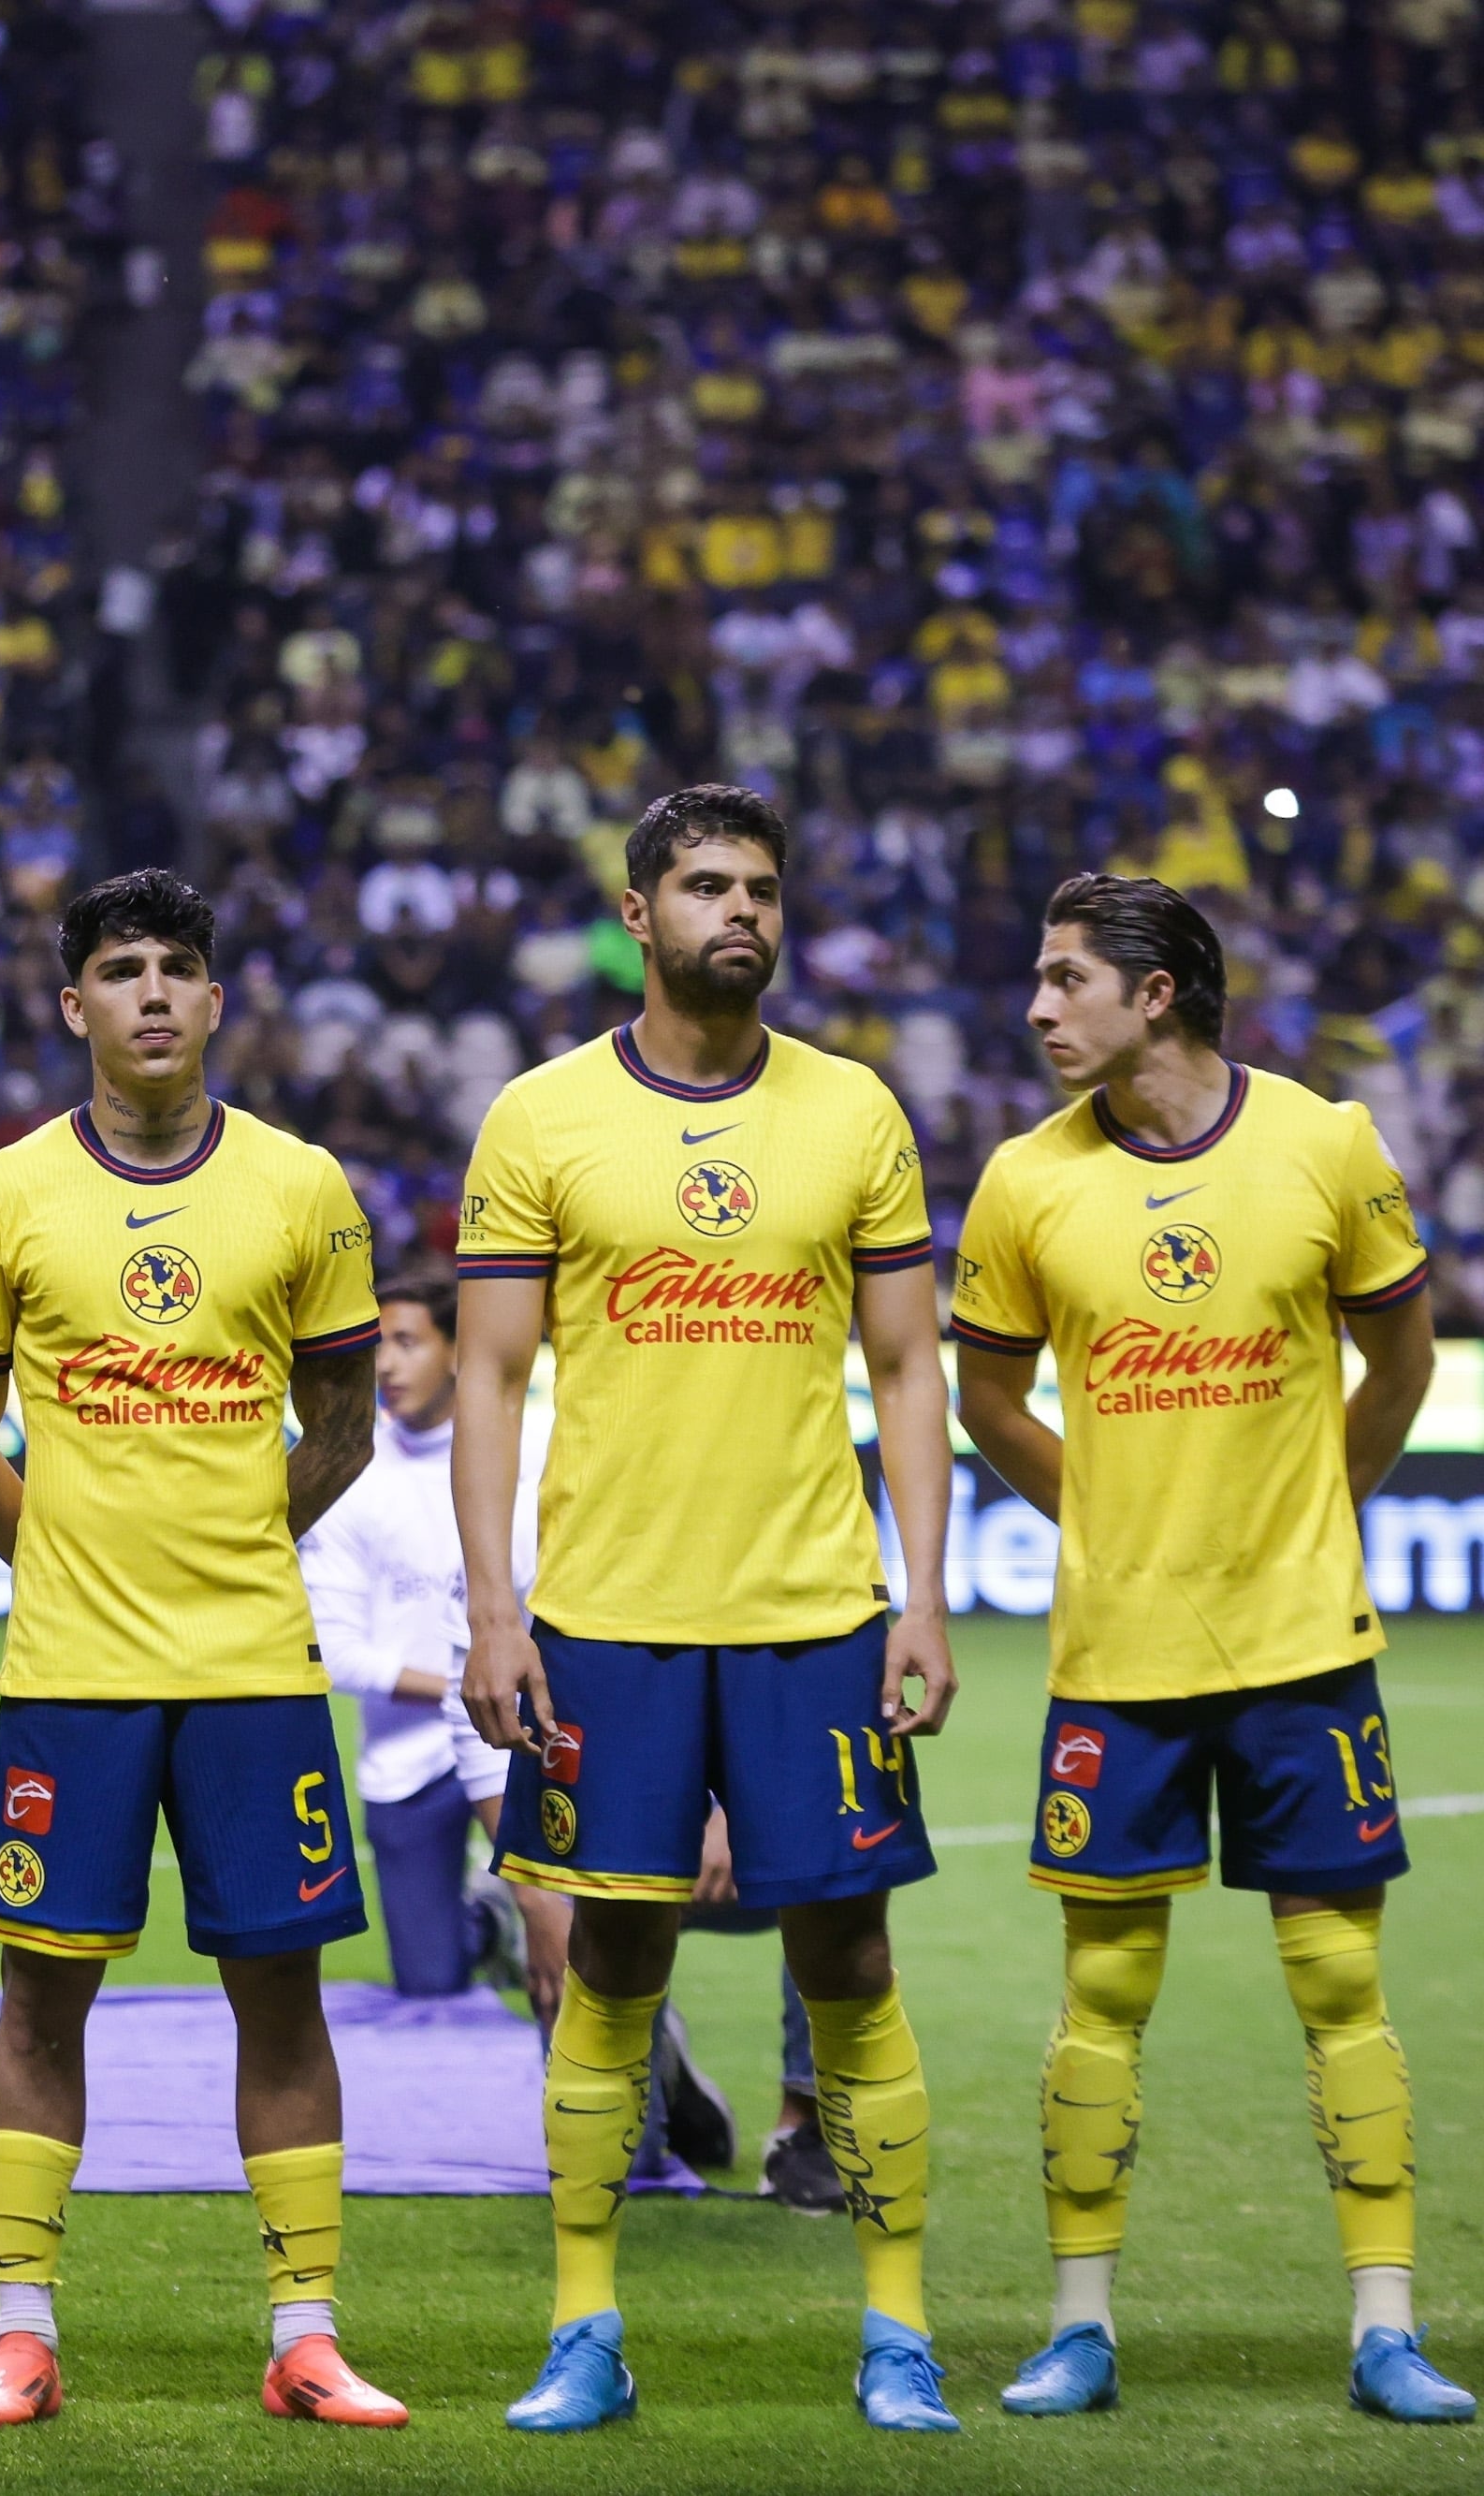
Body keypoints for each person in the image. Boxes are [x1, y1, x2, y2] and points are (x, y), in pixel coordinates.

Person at [453, 784, 963, 2434]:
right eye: (703, 886)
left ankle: (898, 2331)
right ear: (640, 908)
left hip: (817, 1604)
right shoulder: (539, 1118)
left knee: (854, 1954)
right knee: (610, 1954)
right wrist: (495, 1606)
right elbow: (488, 1373)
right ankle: (586, 2325)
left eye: (760, 886)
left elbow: (904, 1365)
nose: (738, 911)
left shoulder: (858, 1111)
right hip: (608, 1609)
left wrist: (924, 1596)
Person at [953, 873, 1470, 2426]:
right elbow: (988, 1402)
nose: (1039, 1008)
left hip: (1304, 1638)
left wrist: (1320, 1499)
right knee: (1103, 1985)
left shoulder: (1327, 1144)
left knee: (1337, 1974)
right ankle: (1080, 2325)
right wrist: (1106, 1514)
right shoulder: (1023, 1184)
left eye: (1064, 979)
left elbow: (1404, 1355)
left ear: (1156, 990)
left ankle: (1387, 2327)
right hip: (1119, 1650)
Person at [0, 868, 408, 2433]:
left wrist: (240, 1544)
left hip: (256, 1667)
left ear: (211, 1003)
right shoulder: (1, 1194)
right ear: (75, 1007)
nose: (146, 992)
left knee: (284, 1994)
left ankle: (307, 2331)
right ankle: (20, 2332)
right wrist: (68, 1555)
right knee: (42, 1998)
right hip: (72, 1672)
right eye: (117, 969)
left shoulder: (303, 1185)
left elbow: (344, 1420)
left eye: (173, 969)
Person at [298, 1268, 529, 2002]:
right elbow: (332, 1650)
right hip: (408, 1759)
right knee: (430, 1983)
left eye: (405, 1342)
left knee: (592, 1950)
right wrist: (469, 1689)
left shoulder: (544, 1448)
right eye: (376, 1345)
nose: (385, 1365)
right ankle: (490, 1922)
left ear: (461, 1350)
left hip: (536, 1738)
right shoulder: (348, 1472)